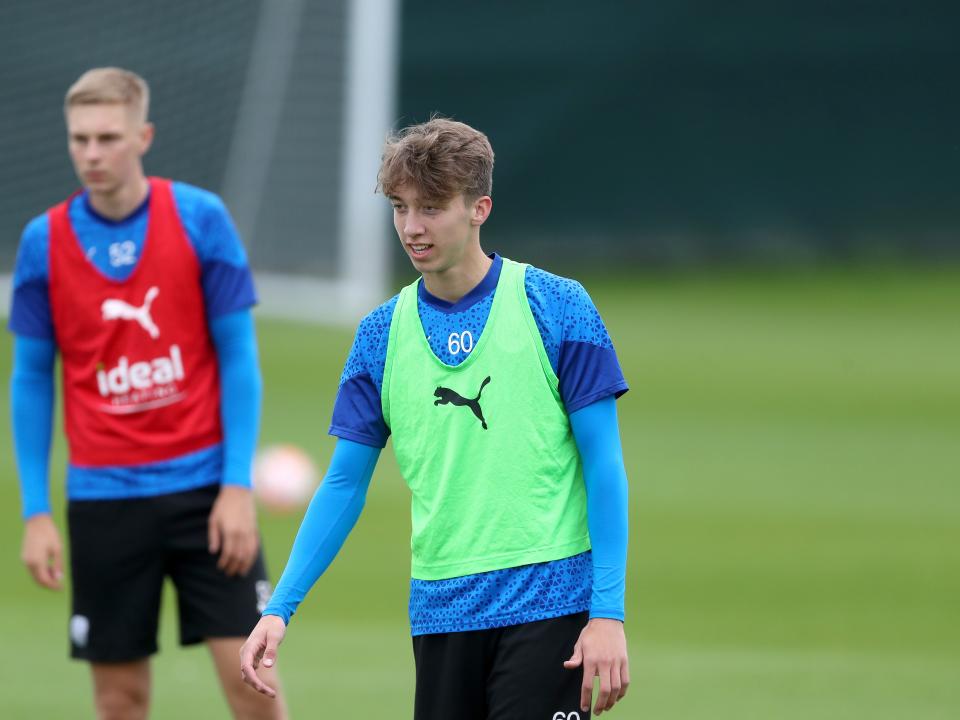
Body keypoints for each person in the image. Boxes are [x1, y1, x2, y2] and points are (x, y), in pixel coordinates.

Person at [240, 118, 630, 718]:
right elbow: (344, 482)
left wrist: (607, 612)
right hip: (440, 610)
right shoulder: (379, 335)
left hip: (550, 605)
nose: (411, 227)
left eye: (430, 207)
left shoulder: (558, 306)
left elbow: (603, 465)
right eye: (399, 207)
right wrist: (279, 607)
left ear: (480, 208)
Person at [9, 67, 287, 720]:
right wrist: (34, 511)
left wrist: (237, 487)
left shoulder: (199, 218)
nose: (92, 154)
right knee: (119, 701)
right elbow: (29, 379)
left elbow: (240, 358)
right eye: (80, 139)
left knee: (255, 692)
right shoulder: (42, 241)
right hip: (103, 501)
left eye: (108, 137)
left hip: (205, 498)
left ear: (144, 136)